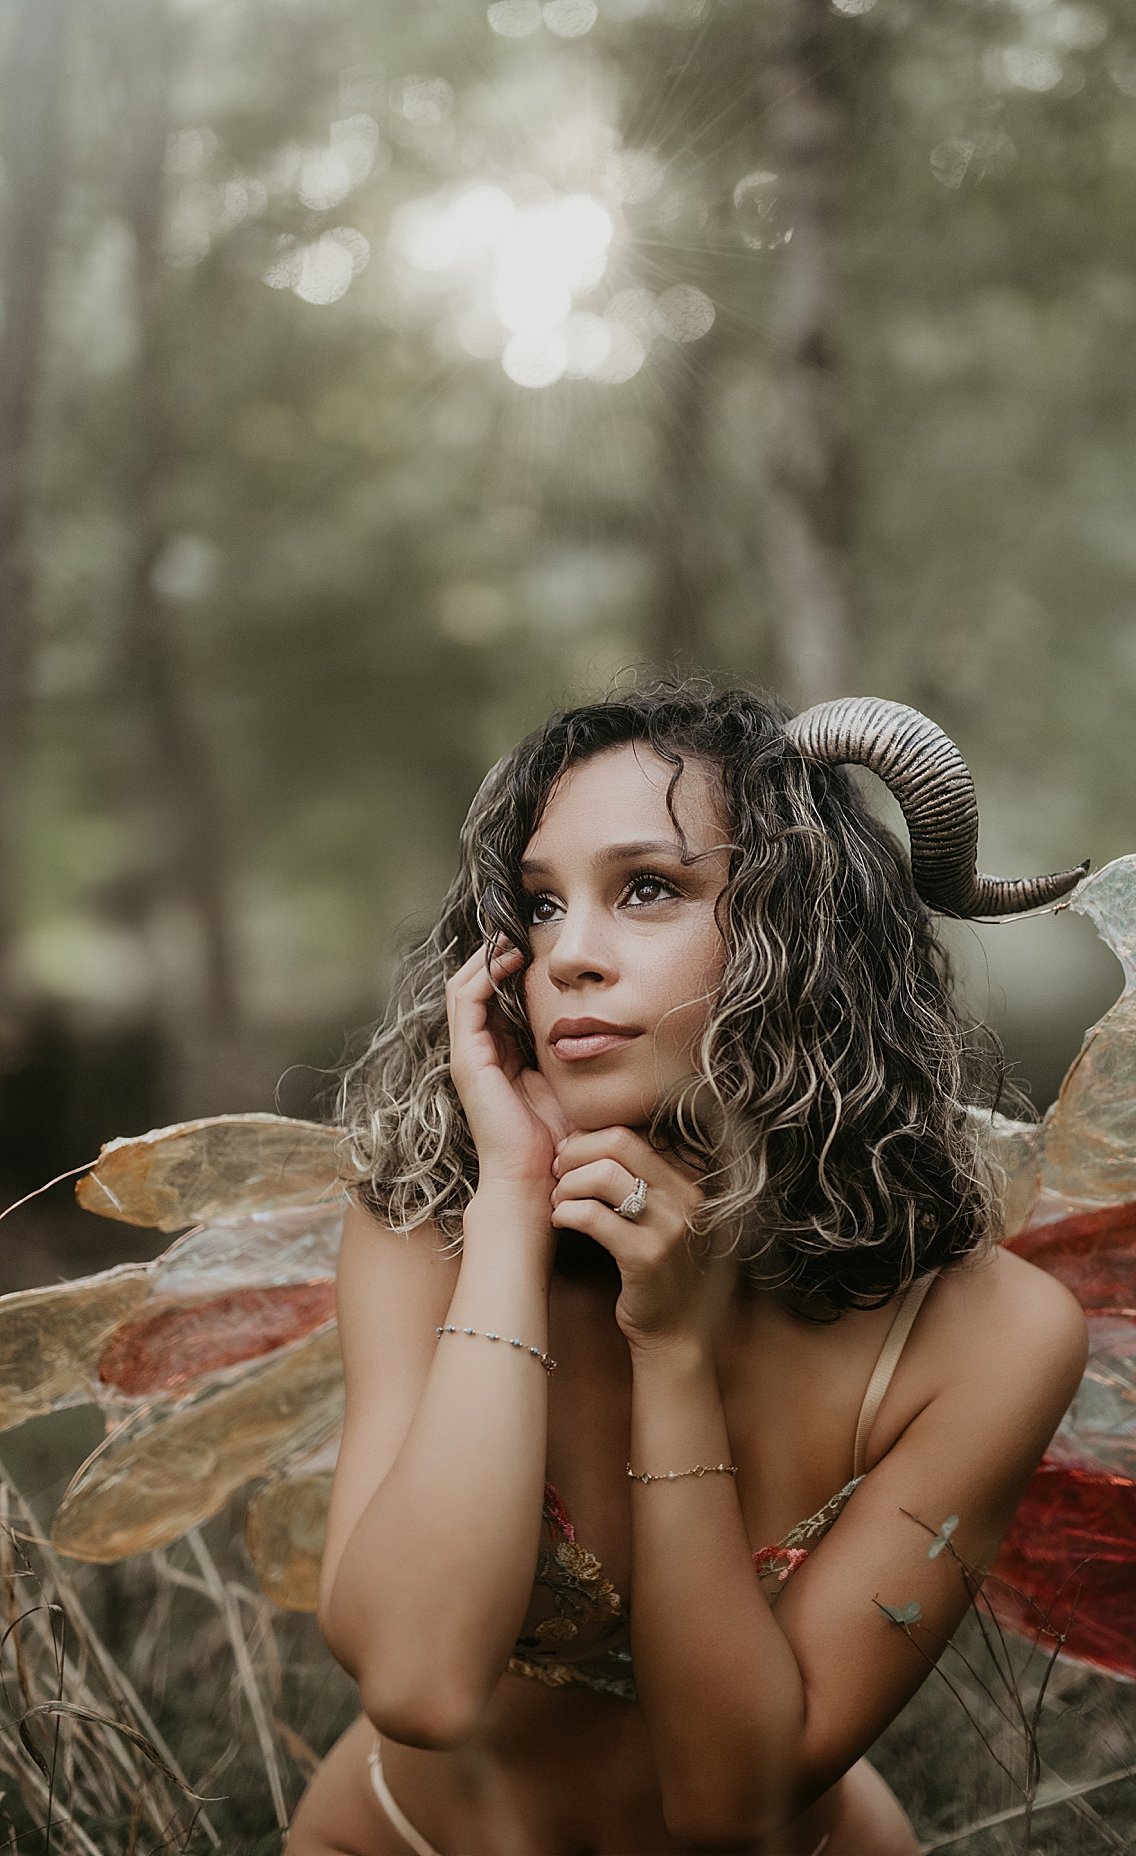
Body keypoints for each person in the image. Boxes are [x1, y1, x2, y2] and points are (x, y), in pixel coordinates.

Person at [286, 683, 1090, 1856]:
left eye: (647, 888)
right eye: (540, 904)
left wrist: (671, 1348)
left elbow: (728, 1803)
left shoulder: (994, 1333)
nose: (568, 955)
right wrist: (511, 1205)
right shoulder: (428, 1219)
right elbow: (416, 1681)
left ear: (805, 929)